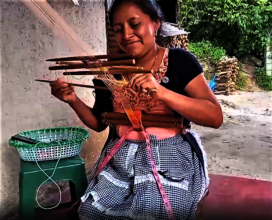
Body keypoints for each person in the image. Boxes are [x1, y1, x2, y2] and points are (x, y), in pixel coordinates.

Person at [50, 0, 223, 219]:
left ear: (155, 24)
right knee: (91, 210)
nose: (127, 34)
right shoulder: (110, 71)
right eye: (118, 29)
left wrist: (161, 92)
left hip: (169, 157)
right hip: (121, 156)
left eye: (135, 24)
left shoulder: (180, 62)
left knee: (155, 210)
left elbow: (214, 117)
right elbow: (99, 121)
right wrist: (72, 99)